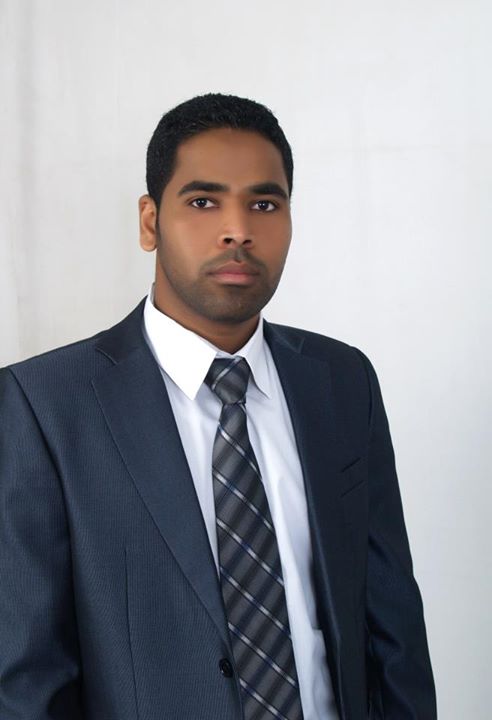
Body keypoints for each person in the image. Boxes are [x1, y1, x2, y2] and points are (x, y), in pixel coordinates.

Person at [0, 93, 436, 720]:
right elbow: (27, 681)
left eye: (265, 203)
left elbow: (393, 627)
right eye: (203, 202)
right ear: (150, 222)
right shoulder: (42, 405)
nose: (238, 230)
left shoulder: (342, 382)